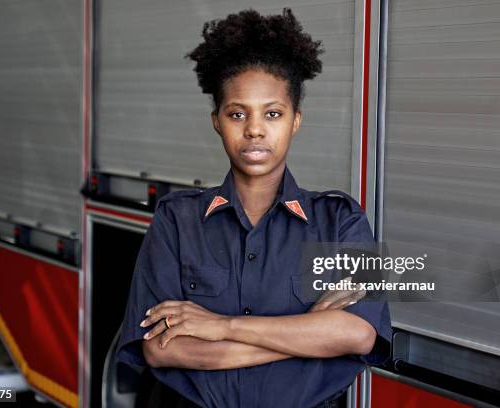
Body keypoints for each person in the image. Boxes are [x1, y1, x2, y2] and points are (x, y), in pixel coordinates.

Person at [115, 8, 391, 408]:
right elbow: (160, 349)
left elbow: (360, 335)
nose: (255, 129)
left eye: (273, 113)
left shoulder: (344, 220)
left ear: (296, 120)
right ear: (217, 121)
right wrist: (309, 336)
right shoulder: (175, 219)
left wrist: (221, 326)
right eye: (237, 113)